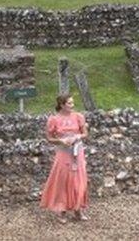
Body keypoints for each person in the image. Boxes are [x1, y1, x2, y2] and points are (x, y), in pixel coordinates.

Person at [39, 93, 89, 223]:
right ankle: (61, 211)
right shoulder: (53, 119)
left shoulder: (78, 117)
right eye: (69, 103)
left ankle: (78, 209)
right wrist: (61, 141)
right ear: (62, 105)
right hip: (63, 153)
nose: (72, 105)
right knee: (63, 180)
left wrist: (78, 137)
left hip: (77, 151)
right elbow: (49, 138)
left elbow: (85, 133)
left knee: (79, 180)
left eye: (72, 103)